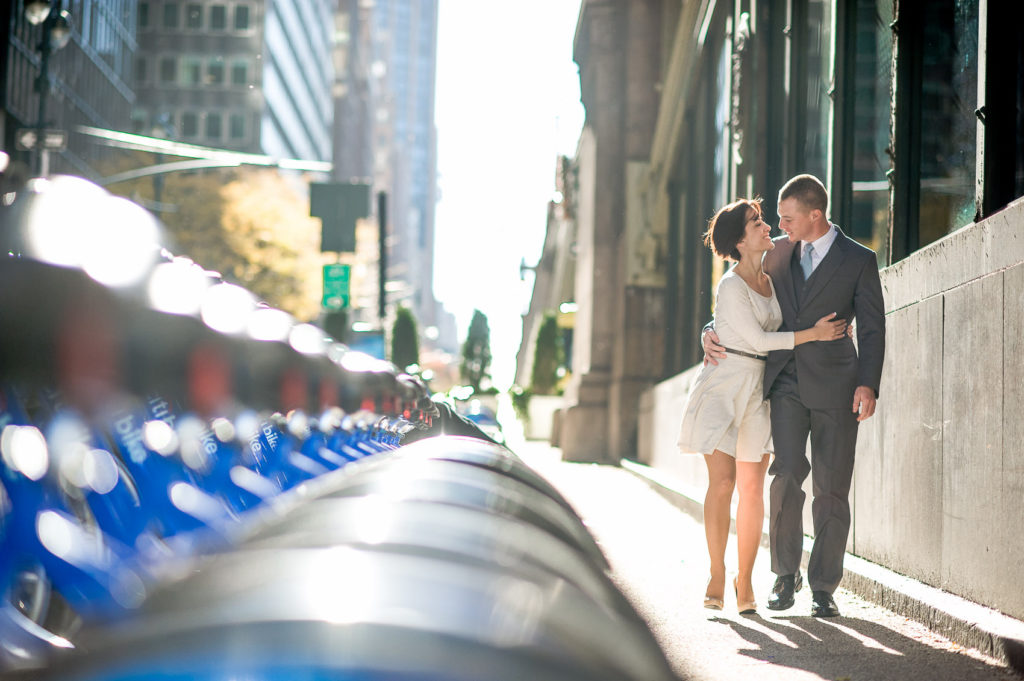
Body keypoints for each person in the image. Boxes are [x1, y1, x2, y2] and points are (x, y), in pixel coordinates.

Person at [703, 174, 885, 617]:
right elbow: (740, 297)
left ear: (815, 215)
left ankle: (823, 585)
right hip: (784, 383)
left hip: (838, 385)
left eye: (787, 218)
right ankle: (785, 576)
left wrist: (868, 383)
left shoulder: (859, 259)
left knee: (831, 487)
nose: (779, 226)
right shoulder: (777, 253)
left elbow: (872, 326)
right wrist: (708, 330)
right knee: (784, 475)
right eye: (777, 219)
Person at [677, 197, 847, 614]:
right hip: (723, 384)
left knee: (752, 489)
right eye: (757, 223)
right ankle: (717, 572)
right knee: (722, 484)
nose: (767, 226)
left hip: (759, 389)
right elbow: (754, 338)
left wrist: (711, 327)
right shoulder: (729, 285)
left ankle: (745, 579)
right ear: (740, 240)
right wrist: (814, 334)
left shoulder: (775, 273)